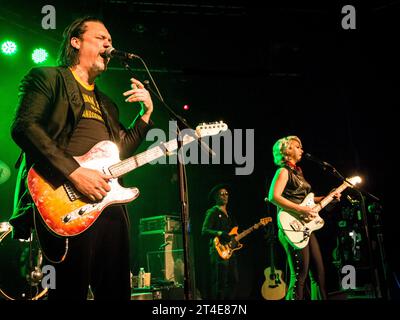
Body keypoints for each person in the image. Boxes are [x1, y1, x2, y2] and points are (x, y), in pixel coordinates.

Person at [9, 16, 154, 300]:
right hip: (62, 198)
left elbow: (120, 150)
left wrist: (145, 116)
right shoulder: (48, 78)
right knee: (68, 289)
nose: (109, 45)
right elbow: (24, 127)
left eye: (111, 41)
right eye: (102, 38)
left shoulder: (107, 104)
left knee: (115, 291)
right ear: (76, 42)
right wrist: (75, 173)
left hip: (107, 205)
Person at [267, 136, 340, 300]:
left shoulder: (298, 172)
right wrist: (300, 209)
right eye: (297, 146)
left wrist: (328, 197)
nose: (302, 150)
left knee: (319, 274)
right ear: (287, 150)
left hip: (305, 226)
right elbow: (273, 196)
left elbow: (307, 198)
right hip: (291, 226)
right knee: (300, 276)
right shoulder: (283, 171)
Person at [201, 183, 239, 299]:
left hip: (230, 251)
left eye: (226, 194)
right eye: (221, 194)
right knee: (220, 282)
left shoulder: (230, 214)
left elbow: (234, 232)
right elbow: (204, 230)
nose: (225, 196)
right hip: (218, 251)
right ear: (216, 197)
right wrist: (219, 233)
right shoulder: (212, 212)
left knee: (234, 280)